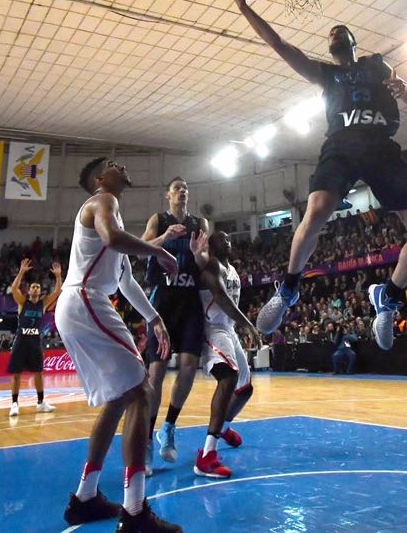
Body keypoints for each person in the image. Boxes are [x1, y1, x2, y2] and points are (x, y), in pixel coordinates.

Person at [229, 0, 407, 348]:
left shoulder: (376, 65)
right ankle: (289, 289)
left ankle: (388, 297)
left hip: (380, 147)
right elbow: (279, 44)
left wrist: (406, 88)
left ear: (354, 42)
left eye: (341, 31)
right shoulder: (325, 75)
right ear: (330, 50)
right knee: (318, 209)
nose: (335, 33)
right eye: (331, 35)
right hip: (341, 145)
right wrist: (244, 8)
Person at [55, 157, 181, 532]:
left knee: (120, 399)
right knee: (141, 391)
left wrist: (153, 316)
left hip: (82, 304)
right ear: (99, 178)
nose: (121, 166)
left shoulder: (112, 213)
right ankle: (135, 511)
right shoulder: (102, 201)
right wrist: (157, 250)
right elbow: (112, 239)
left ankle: (85, 498)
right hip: (85, 300)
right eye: (112, 164)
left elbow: (125, 281)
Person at [140, 176, 208, 468]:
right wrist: (166, 237)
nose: (182, 192)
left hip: (190, 300)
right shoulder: (159, 219)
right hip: (163, 302)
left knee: (190, 365)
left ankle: (168, 427)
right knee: (156, 372)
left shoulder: (200, 224)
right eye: (177, 189)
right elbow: (141, 248)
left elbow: (206, 264)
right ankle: (145, 439)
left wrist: (197, 255)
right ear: (167, 195)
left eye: (186, 189)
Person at [188, 230, 259, 479]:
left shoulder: (233, 270)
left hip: (228, 329)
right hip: (212, 327)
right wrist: (247, 323)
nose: (227, 241)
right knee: (228, 377)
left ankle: (224, 427)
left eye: (229, 238)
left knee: (245, 388)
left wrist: (239, 325)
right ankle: (207, 455)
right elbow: (220, 298)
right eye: (222, 238)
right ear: (211, 244)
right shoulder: (210, 266)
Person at [7, 258, 62, 417]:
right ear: (29, 291)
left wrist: (58, 276)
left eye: (38, 286)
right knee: (16, 374)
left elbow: (57, 292)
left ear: (40, 291)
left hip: (35, 341)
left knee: (38, 372)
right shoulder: (22, 302)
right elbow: (14, 287)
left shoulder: (43, 304)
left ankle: (40, 403)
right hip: (21, 340)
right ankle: (15, 404)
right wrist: (22, 272)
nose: (36, 288)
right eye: (33, 286)